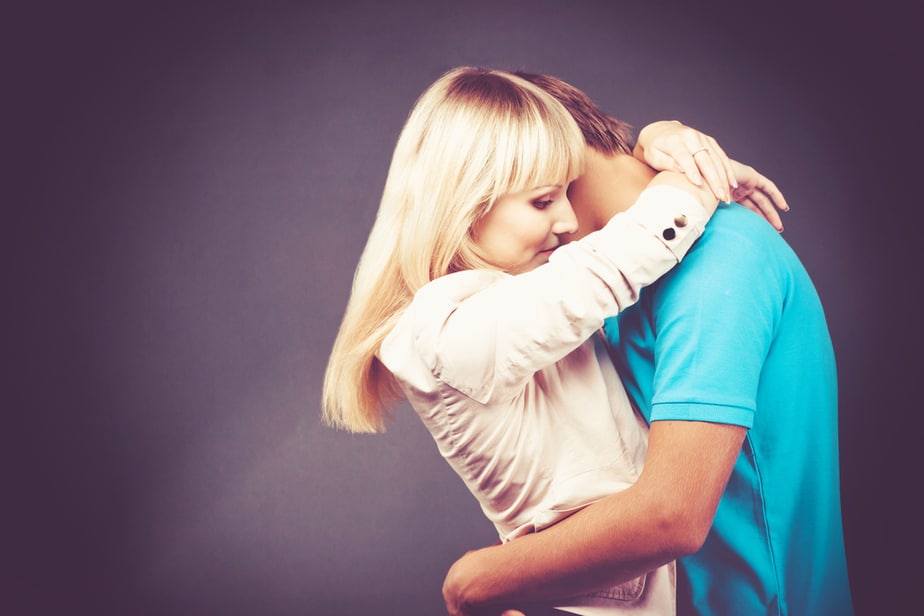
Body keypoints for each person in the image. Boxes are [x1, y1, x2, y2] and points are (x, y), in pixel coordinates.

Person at [321, 66, 782, 614]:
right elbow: (610, 266)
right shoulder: (442, 332)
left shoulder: (504, 301)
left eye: (568, 193)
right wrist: (697, 172)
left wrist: (659, 137)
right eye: (543, 201)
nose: (567, 220)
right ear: (465, 208)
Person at [441, 73, 853, 615]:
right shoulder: (613, 289)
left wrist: (476, 579)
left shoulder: (721, 262)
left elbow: (670, 517)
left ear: (554, 161)